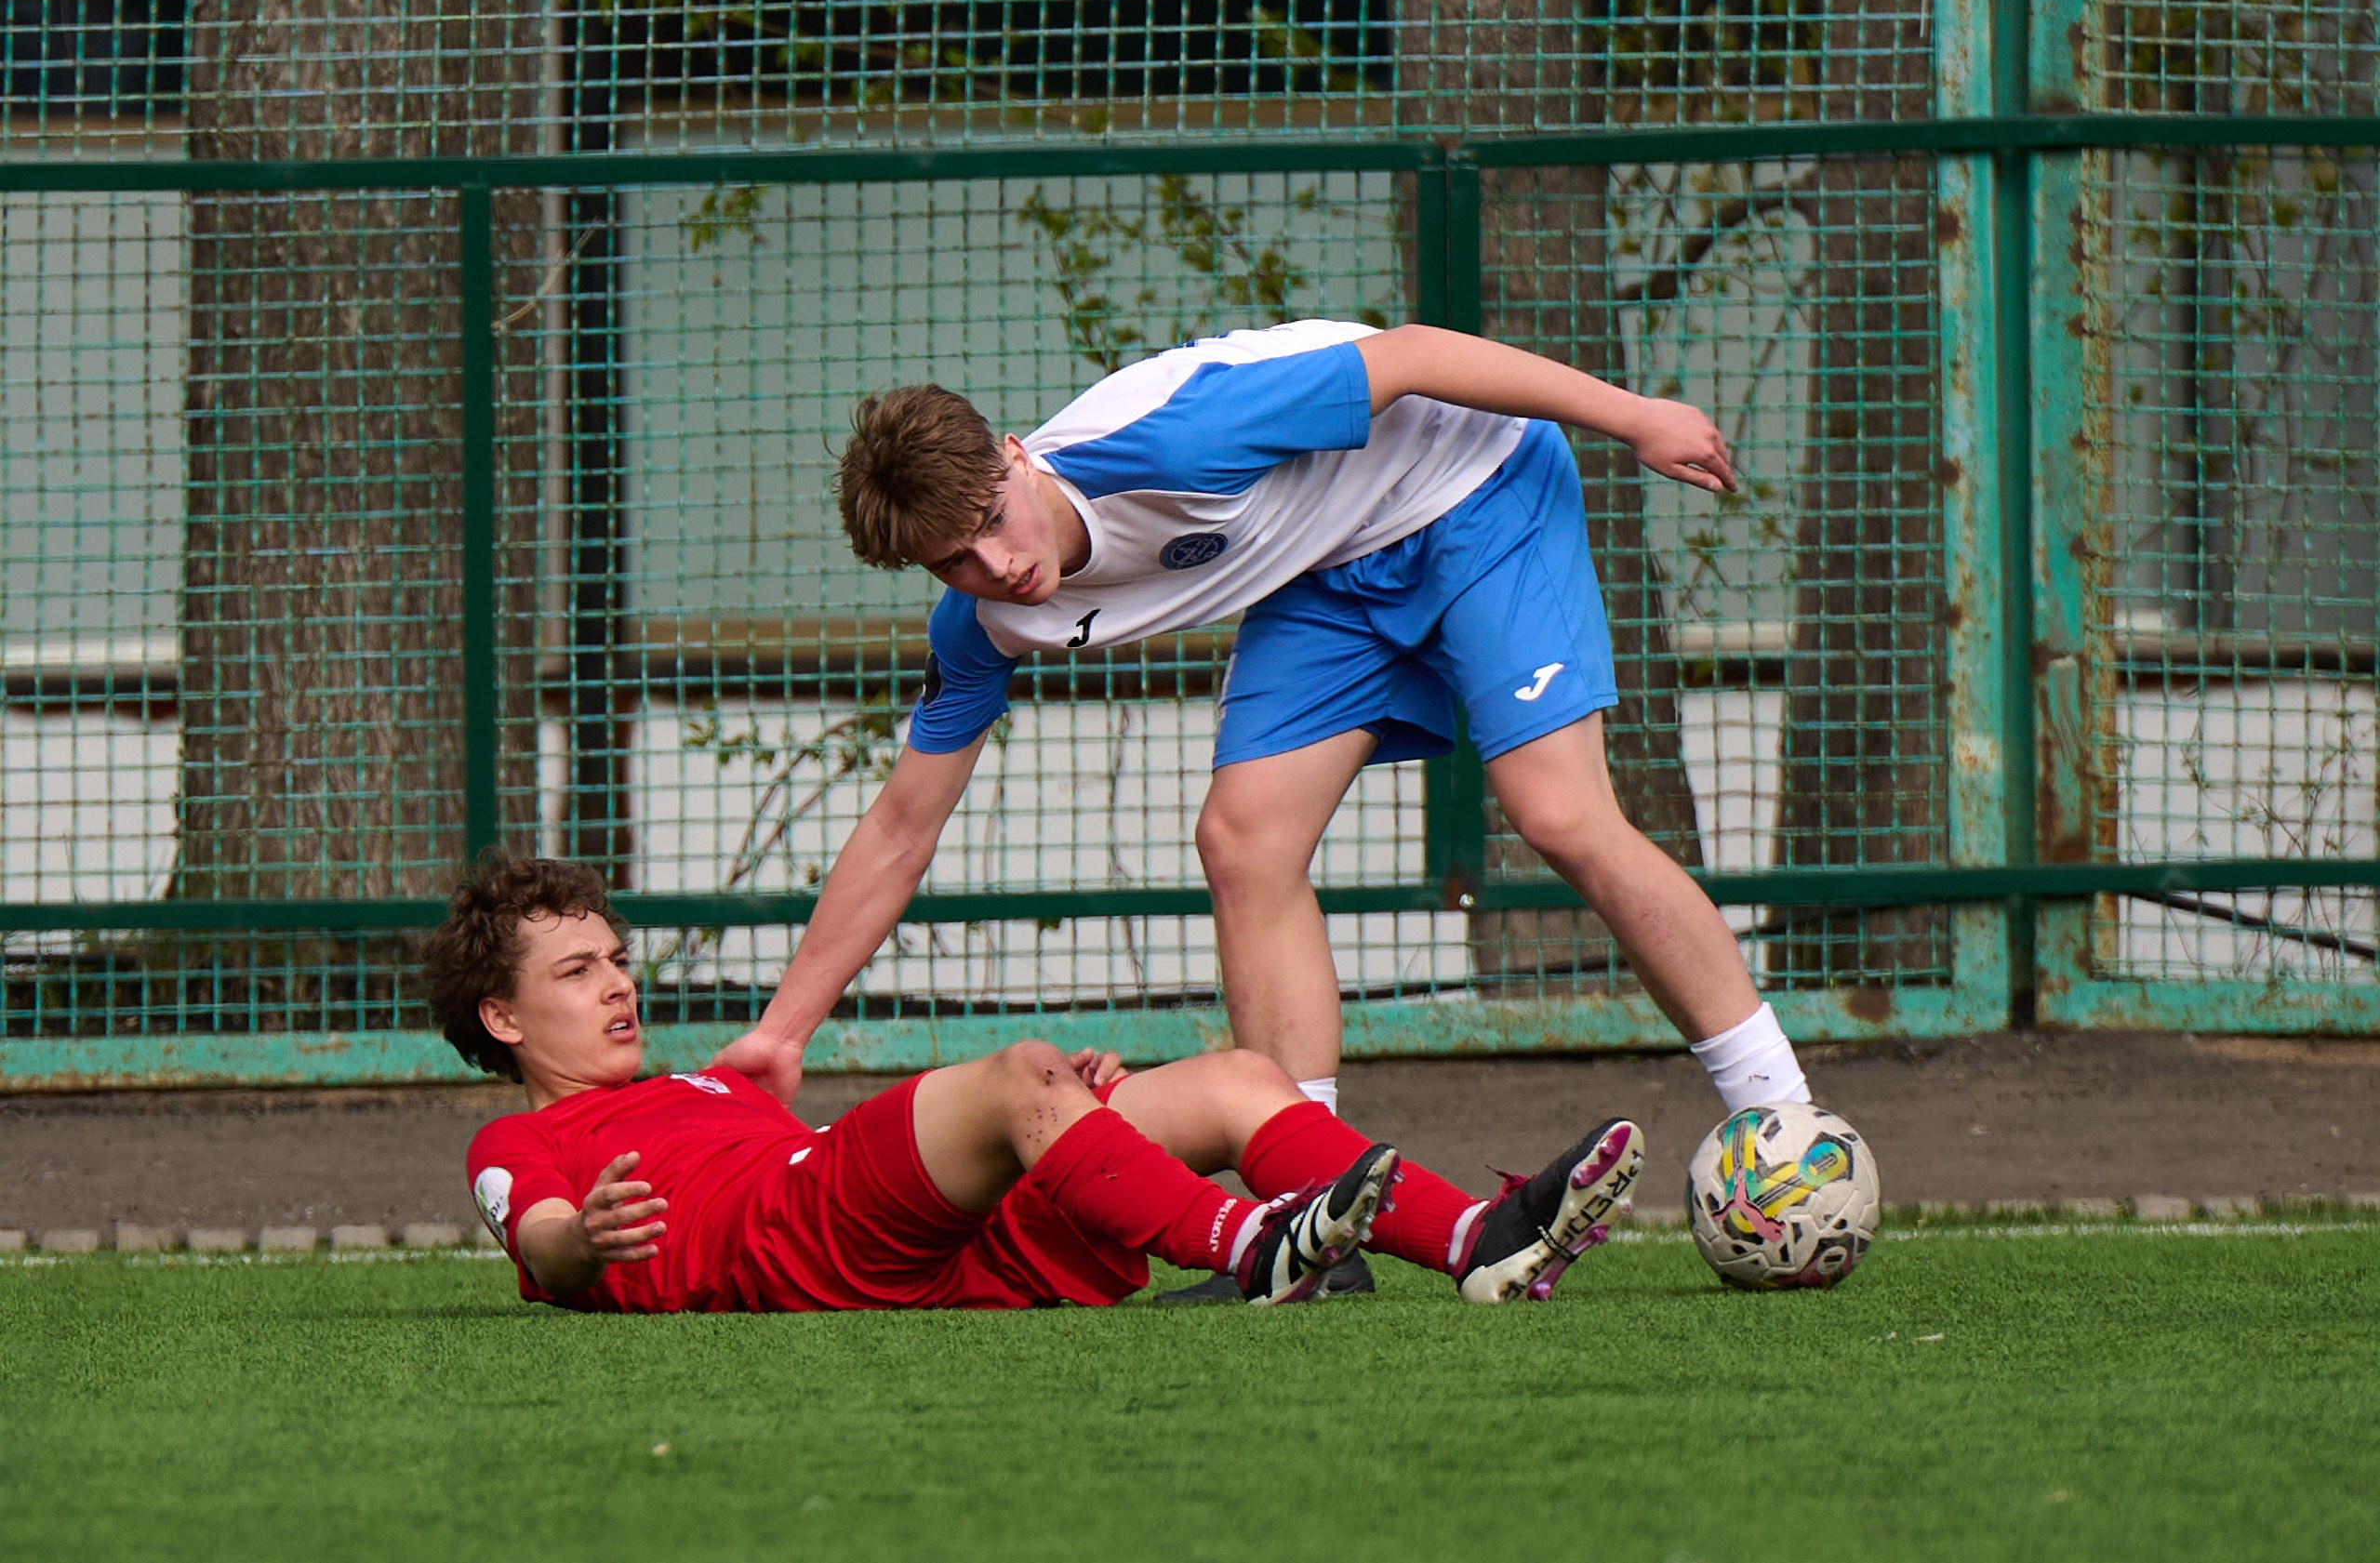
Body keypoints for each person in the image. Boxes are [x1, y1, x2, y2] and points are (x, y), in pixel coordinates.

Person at [718, 319, 1810, 1298]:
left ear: (1015, 454)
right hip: (1328, 565)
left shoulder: (1173, 438)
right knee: (1243, 839)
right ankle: (1321, 1215)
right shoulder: (984, 625)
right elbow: (902, 825)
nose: (999, 564)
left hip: (1474, 491)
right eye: (953, 559)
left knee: (1558, 813)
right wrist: (783, 1029)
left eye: (991, 521)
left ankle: (1784, 1121)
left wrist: (1637, 418)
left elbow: (1417, 356)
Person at [430, 853, 1644, 1313]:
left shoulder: (712, 1087)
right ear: (500, 1014)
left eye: (618, 960)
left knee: (1232, 1076)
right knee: (1015, 1072)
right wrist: (584, 1241)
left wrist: (1067, 1115)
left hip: (908, 1249)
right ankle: (1248, 1243)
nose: (615, 985)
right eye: (577, 970)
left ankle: (1478, 1241)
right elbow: (541, 1239)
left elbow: (898, 1165)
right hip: (803, 1241)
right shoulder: (514, 1138)